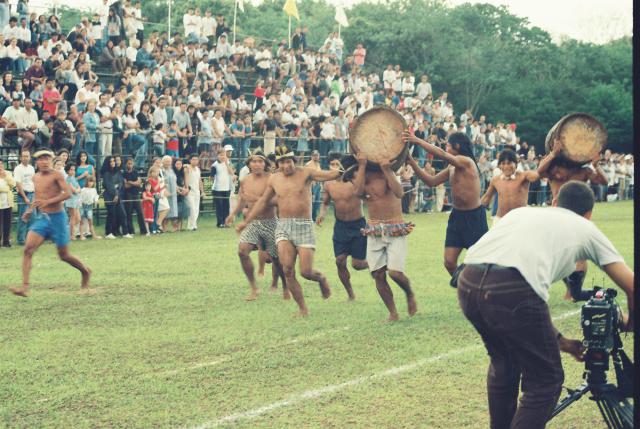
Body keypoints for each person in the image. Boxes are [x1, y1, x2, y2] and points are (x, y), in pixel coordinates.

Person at [457, 181, 634, 429]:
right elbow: (632, 285)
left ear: (554, 203)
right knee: (546, 381)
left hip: (468, 282)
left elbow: (529, 317)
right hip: (513, 286)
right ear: (589, 214)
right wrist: (631, 322)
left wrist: (562, 342)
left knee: (504, 362)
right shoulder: (586, 227)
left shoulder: (522, 212)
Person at [237, 145, 341, 317]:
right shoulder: (274, 179)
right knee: (287, 270)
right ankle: (303, 309)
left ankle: (321, 279)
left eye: (289, 161)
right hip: (284, 226)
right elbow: (263, 202)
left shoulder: (306, 172)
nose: (286, 166)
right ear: (278, 164)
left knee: (306, 271)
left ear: (294, 160)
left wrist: (345, 167)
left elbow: (332, 175)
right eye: (282, 163)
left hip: (304, 225)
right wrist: (246, 222)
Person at [404, 131, 488, 278]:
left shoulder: (466, 161)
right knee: (449, 262)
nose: (446, 147)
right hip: (457, 217)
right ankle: (465, 288)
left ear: (457, 145)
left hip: (474, 217)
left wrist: (417, 141)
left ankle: (477, 290)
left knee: (480, 262)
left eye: (448, 144)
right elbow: (431, 181)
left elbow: (441, 154)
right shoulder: (451, 167)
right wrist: (412, 162)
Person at [10, 149, 91, 297]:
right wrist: (30, 210)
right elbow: (38, 197)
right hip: (43, 219)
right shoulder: (35, 177)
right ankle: (25, 287)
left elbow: (67, 193)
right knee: (28, 250)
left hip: (58, 219)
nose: (45, 161)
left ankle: (85, 271)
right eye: (41, 159)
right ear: (37, 162)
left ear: (51, 160)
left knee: (64, 255)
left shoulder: (57, 175)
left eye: (47, 158)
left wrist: (47, 202)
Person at [537, 143, 609, 298]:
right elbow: (538, 172)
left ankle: (575, 290)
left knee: (579, 254)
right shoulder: (553, 169)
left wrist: (596, 165)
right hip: (558, 215)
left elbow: (604, 181)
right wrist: (552, 154)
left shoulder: (584, 171)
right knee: (558, 253)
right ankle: (569, 288)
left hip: (578, 217)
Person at [352, 153, 417, 321]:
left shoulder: (388, 171)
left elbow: (400, 192)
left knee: (395, 273)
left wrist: (387, 169)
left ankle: (409, 293)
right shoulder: (362, 174)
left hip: (394, 228)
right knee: (378, 274)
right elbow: (358, 193)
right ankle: (393, 313)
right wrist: (362, 165)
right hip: (374, 229)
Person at [226, 149, 289, 301]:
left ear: (265, 164)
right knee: (242, 251)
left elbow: (277, 201)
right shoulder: (245, 180)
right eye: (254, 161)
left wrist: (255, 197)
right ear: (249, 164)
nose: (257, 164)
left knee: (276, 260)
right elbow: (242, 199)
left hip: (270, 222)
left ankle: (286, 287)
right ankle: (254, 288)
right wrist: (233, 213)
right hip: (253, 223)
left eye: (260, 161)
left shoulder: (272, 178)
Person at [316, 154, 368, 300]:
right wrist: (322, 214)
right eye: (332, 164)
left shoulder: (354, 182)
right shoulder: (328, 184)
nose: (335, 167)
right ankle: (350, 294)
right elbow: (326, 203)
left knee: (357, 265)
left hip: (358, 225)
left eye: (337, 164)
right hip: (340, 227)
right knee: (339, 261)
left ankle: (375, 264)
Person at [481, 149, 539, 226]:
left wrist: (551, 156)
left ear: (516, 164)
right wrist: (471, 210)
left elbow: (536, 175)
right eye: (503, 163)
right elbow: (486, 198)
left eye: (509, 163)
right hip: (500, 220)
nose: (506, 166)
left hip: (520, 220)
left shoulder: (523, 176)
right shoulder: (495, 180)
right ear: (499, 165)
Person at [13, 149, 35, 245]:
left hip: (32, 193)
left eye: (27, 156)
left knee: (33, 218)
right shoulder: (18, 169)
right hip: (23, 195)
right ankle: (21, 240)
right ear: (20, 157)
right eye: (24, 156)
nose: (26, 158)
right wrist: (24, 197)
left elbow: (33, 181)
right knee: (23, 218)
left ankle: (30, 239)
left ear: (30, 157)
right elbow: (18, 183)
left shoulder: (31, 168)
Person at [211, 148, 235, 228]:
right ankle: (220, 222)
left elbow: (231, 172)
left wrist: (226, 164)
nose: (222, 157)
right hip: (217, 189)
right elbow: (211, 177)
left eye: (224, 155)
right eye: (220, 155)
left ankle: (226, 222)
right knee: (219, 206)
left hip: (226, 188)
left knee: (226, 206)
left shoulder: (227, 162)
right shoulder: (214, 165)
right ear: (217, 156)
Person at [122, 157, 147, 235]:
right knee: (128, 213)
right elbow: (125, 185)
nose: (130, 165)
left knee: (140, 212)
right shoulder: (124, 174)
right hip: (128, 195)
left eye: (131, 163)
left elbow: (139, 183)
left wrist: (130, 182)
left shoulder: (135, 172)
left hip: (136, 194)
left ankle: (144, 231)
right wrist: (134, 183)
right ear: (126, 164)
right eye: (129, 163)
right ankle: (130, 231)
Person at [185, 154, 203, 231]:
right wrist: (186, 188)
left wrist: (202, 191)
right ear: (190, 160)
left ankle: (192, 225)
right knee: (192, 208)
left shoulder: (198, 169)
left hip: (197, 192)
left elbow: (200, 180)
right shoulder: (187, 168)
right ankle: (192, 225)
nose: (195, 161)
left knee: (196, 209)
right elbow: (186, 179)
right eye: (193, 159)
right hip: (190, 191)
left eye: (196, 159)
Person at [64, 163, 82, 240]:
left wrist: (77, 190)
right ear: (68, 170)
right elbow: (74, 190)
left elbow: (79, 188)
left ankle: (67, 232)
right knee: (73, 218)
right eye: (71, 169)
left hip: (76, 200)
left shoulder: (73, 178)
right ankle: (71, 235)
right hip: (71, 200)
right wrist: (77, 190)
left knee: (78, 218)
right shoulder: (68, 179)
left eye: (74, 169)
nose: (73, 171)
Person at [0, 159, 15, 247]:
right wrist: (6, 189)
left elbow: (13, 184)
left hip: (8, 203)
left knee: (7, 223)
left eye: (1, 164)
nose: (0, 166)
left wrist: (5, 176)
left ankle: (6, 242)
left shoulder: (8, 173)